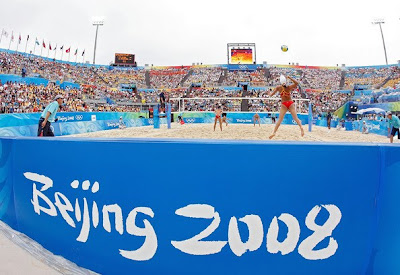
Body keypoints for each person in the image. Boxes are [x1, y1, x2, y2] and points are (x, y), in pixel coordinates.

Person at [268, 75, 304, 139]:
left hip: (284, 104)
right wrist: (290, 77)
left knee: (280, 120)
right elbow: (297, 83)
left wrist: (269, 93)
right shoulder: (288, 87)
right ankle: (301, 127)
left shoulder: (278, 88)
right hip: (290, 103)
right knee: (295, 118)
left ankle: (274, 132)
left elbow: (271, 94)